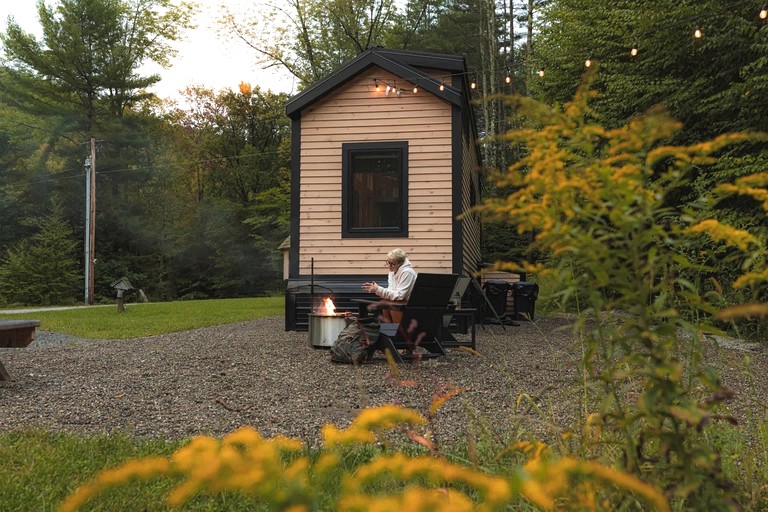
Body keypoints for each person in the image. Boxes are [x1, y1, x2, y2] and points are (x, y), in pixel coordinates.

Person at [362, 248, 417, 322]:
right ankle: (389, 330)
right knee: (386, 301)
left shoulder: (407, 273)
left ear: (400, 263)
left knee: (393, 304)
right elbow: (391, 291)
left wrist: (378, 289)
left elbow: (399, 296)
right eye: (388, 262)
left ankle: (397, 330)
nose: (389, 266)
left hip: (409, 306)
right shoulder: (392, 271)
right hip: (400, 303)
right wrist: (377, 290)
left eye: (393, 264)